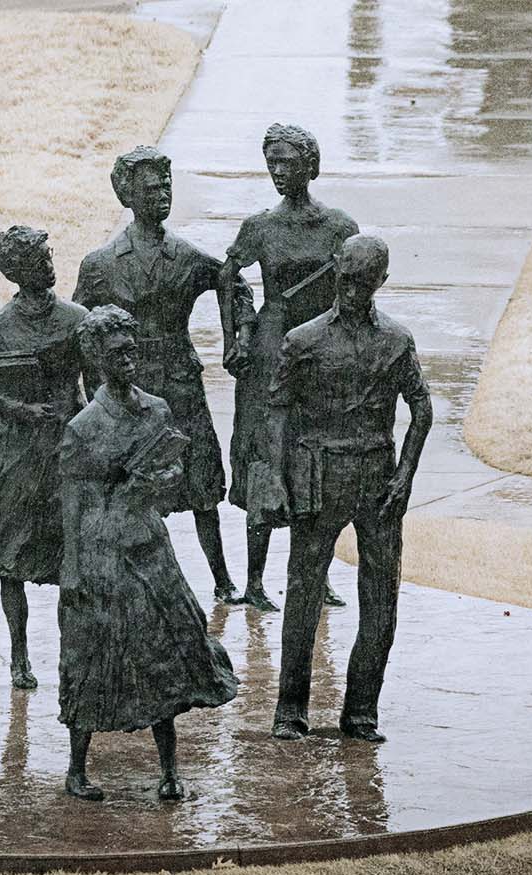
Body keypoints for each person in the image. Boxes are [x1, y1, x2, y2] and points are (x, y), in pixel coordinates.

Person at [57, 305, 239, 802]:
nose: (129, 360)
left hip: (148, 542)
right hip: (100, 551)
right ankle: (77, 768)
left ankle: (169, 768)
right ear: (97, 359)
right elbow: (72, 502)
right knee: (91, 657)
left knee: (163, 653)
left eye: (132, 351)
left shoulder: (157, 409)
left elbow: (174, 475)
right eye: (118, 354)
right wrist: (73, 570)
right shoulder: (83, 427)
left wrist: (160, 479)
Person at [258, 235, 432, 743]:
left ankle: (360, 712)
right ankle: (290, 709)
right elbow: (276, 412)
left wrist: (405, 475)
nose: (353, 290)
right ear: (336, 271)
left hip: (378, 477)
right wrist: (276, 478)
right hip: (319, 474)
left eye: (365, 283)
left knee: (381, 598)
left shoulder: (396, 340)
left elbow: (422, 409)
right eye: (347, 279)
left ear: (382, 282)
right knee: (303, 594)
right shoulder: (303, 340)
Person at [72, 145, 255, 604]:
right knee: (129, 486)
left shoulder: (185, 256)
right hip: (126, 387)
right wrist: (89, 389)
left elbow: (233, 283)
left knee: (201, 485)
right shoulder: (101, 264)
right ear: (127, 195)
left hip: (179, 382)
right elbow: (80, 328)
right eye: (151, 189)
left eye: (166, 187)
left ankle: (222, 579)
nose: (162, 195)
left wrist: (239, 337)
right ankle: (130, 577)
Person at [219, 123, 360, 611]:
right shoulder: (260, 227)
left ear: (311, 166)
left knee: (316, 457)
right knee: (266, 452)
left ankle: (316, 576)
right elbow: (227, 276)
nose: (278, 171)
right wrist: (234, 336)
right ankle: (255, 581)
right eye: (271, 163)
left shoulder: (339, 227)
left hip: (319, 350)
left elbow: (353, 287)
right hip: (271, 349)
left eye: (287, 162)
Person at [0, 226, 88, 691]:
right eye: (39, 260)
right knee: (10, 555)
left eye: (49, 256)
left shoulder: (76, 317)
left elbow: (97, 381)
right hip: (16, 449)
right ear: (18, 272)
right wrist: (14, 406)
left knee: (72, 554)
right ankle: (19, 654)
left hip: (65, 443)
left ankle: (74, 653)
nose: (49, 265)